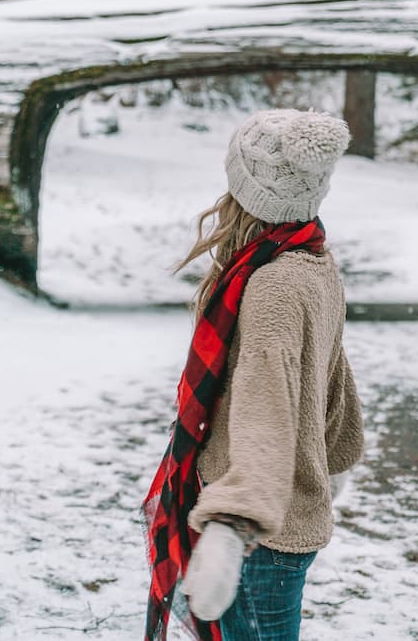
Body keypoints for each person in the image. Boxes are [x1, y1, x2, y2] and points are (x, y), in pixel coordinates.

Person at [143, 108, 365, 641]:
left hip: (259, 537)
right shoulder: (312, 262)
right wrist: (325, 459)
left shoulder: (272, 286)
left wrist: (233, 524)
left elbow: (270, 400)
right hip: (284, 517)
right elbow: (328, 381)